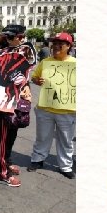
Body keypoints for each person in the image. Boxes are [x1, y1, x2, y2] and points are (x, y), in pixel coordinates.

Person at [28, 32, 77, 178]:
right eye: (53, 43)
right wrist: (37, 81)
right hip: (45, 108)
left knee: (66, 140)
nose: (55, 46)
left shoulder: (76, 64)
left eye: (60, 44)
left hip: (67, 110)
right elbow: (34, 78)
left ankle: (65, 166)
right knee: (42, 137)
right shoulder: (45, 62)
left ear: (68, 46)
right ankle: (38, 159)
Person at [0, 24, 33, 187]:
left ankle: (7, 162)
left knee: (13, 132)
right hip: (5, 100)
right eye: (8, 37)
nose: (10, 40)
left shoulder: (25, 52)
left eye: (13, 37)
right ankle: (1, 172)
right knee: (3, 136)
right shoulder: (1, 54)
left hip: (19, 100)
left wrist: (27, 88)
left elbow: (25, 74)